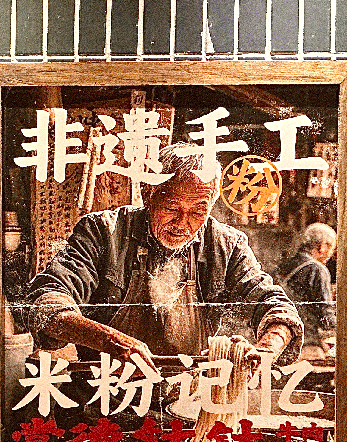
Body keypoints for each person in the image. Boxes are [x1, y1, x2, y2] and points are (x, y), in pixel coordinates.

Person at [26, 142, 303, 373]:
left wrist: (266, 349)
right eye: (171, 208)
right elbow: (47, 301)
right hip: (104, 395)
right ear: (148, 193)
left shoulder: (226, 245)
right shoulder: (103, 232)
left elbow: (275, 305)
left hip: (191, 398)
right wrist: (110, 341)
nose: (182, 223)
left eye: (197, 212)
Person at [276, 222, 336, 354]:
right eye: (331, 248)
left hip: (280, 339)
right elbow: (326, 316)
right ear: (322, 246)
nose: (330, 254)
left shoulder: (284, 265)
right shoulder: (318, 269)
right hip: (306, 342)